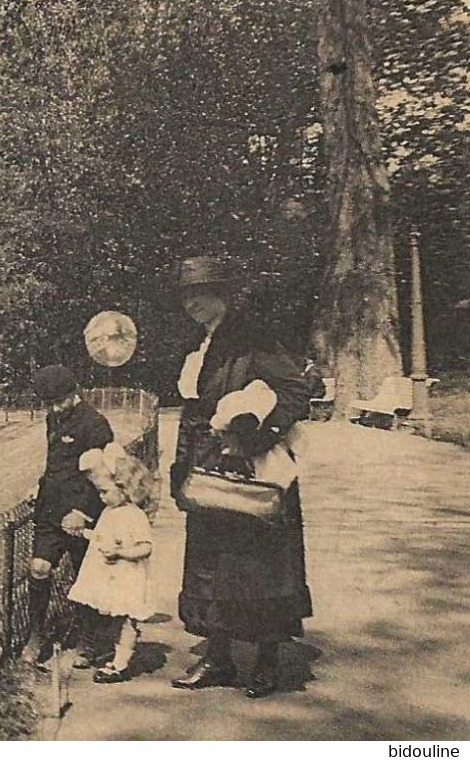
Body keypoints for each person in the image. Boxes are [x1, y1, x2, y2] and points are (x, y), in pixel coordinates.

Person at [167, 256, 314, 699]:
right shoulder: (199, 341)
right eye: (186, 294)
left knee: (259, 567)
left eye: (201, 292)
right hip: (209, 466)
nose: (193, 301)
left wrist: (252, 437)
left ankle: (267, 663)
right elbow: (193, 411)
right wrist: (181, 468)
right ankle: (218, 658)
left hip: (252, 469)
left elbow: (296, 391)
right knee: (212, 563)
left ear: (222, 294)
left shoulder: (252, 338)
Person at [22, 364, 117, 669]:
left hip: (81, 516)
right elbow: (56, 464)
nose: (53, 408)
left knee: (86, 578)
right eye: (48, 403)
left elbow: (103, 475)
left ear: (73, 393)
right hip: (50, 511)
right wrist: (39, 486)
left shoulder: (96, 424)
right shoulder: (53, 418)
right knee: (38, 568)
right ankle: (37, 635)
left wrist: (83, 512)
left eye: (57, 401)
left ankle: (90, 639)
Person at [68, 445, 157, 683]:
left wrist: (121, 552)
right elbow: (102, 537)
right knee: (115, 617)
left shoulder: (133, 515)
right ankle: (116, 655)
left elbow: (145, 546)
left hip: (126, 575)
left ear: (125, 489)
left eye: (105, 492)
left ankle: (121, 664)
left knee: (126, 619)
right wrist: (84, 533)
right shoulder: (110, 511)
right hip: (109, 575)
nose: (101, 497)